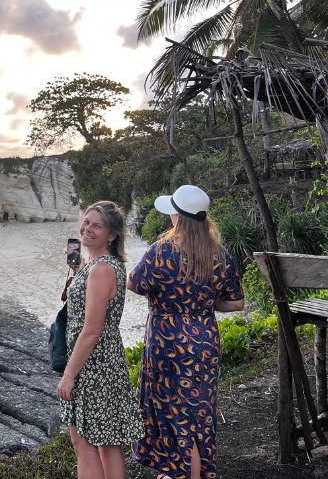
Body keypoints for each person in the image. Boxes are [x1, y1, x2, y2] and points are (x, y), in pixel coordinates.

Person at [128, 185, 244, 479]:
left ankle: (181, 473)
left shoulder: (161, 251)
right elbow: (237, 302)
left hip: (167, 340)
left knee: (170, 412)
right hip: (204, 338)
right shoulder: (219, 254)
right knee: (197, 412)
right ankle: (188, 470)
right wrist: (204, 302)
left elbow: (134, 284)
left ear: (178, 217)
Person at [58, 201, 143, 479]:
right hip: (104, 362)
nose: (87, 229)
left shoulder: (101, 270)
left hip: (93, 365)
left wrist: (69, 374)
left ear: (111, 235)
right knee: (108, 443)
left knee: (84, 444)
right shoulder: (100, 266)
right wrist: (80, 270)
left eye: (97, 226)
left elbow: (92, 329)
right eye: (86, 222)